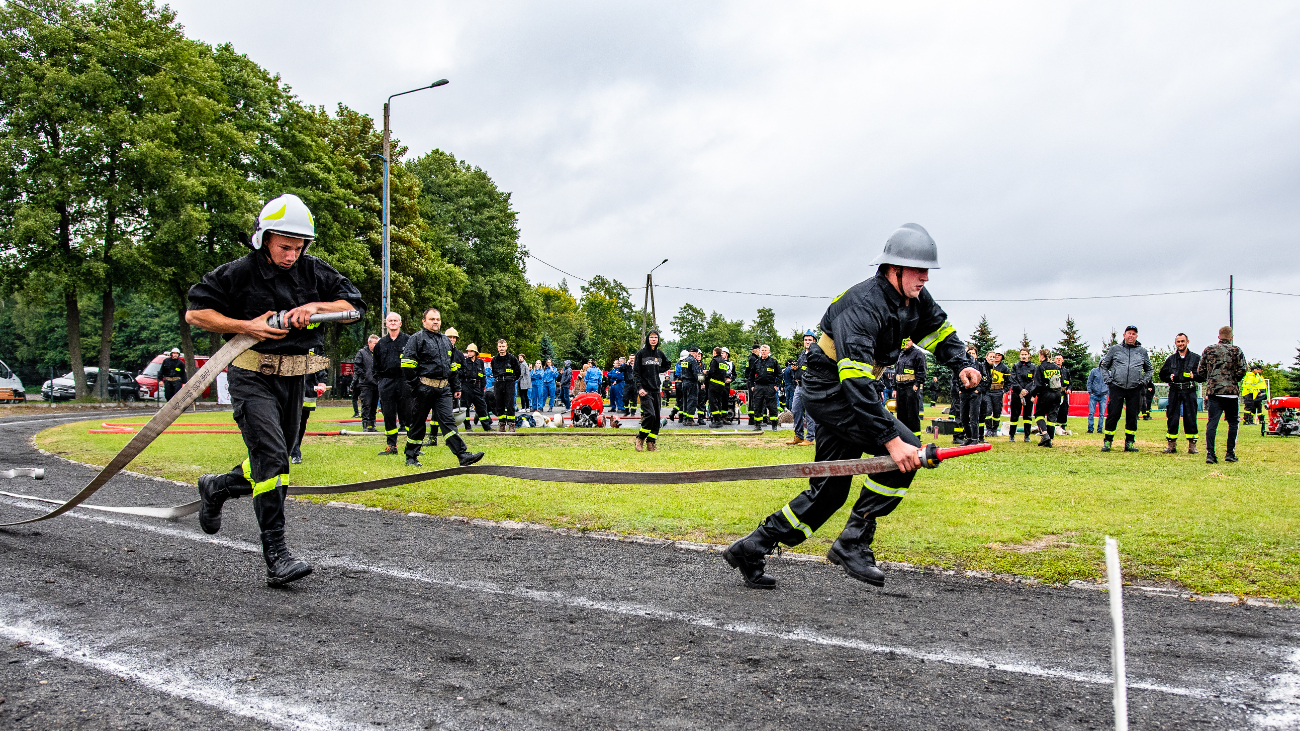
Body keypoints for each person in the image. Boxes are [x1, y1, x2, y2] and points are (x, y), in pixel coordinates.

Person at [723, 223, 978, 590]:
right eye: (918, 270)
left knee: (829, 490)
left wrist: (962, 363)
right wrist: (891, 439)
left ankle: (752, 547)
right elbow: (855, 383)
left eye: (927, 271)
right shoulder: (861, 305)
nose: (924, 277)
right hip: (830, 393)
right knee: (904, 457)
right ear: (894, 269)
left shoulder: (914, 300)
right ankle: (853, 541)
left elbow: (939, 332)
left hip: (850, 389)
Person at [189, 192, 363, 586]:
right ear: (264, 237)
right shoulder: (238, 273)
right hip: (251, 375)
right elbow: (196, 312)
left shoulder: (313, 271)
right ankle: (277, 556)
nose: (291, 255)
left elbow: (354, 308)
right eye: (285, 246)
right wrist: (245, 326)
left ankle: (216, 487)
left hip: (294, 377)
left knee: (275, 461)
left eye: (298, 248)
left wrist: (316, 307)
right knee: (271, 457)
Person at [400, 308, 485, 468]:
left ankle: (462, 455)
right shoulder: (416, 339)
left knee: (448, 422)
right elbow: (407, 365)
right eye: (432, 319)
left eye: (438, 319)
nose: (436, 322)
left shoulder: (445, 341)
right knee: (418, 424)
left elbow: (452, 366)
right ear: (424, 321)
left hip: (444, 389)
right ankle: (411, 456)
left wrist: (456, 387)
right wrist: (416, 385)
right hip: (423, 387)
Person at [1197, 325, 1246, 464]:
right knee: (1233, 423)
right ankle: (1230, 453)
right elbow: (1242, 370)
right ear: (1231, 337)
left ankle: (1210, 454)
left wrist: (1212, 379)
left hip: (1214, 392)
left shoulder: (1209, 350)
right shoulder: (1236, 350)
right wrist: (1233, 379)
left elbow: (1201, 371)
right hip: (1231, 393)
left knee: (1212, 423)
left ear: (1219, 336)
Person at [1099, 325, 1152, 453]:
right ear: (1124, 335)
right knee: (1113, 414)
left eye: (1134, 334)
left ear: (1136, 336)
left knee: (1132, 416)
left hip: (1135, 388)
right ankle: (1108, 441)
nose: (1131, 336)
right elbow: (1104, 366)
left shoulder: (1142, 351)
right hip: (1117, 386)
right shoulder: (1115, 349)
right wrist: (1108, 380)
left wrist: (1144, 382)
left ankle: (1129, 443)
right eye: (1129, 333)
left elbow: (1149, 369)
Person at [374, 312, 411, 457]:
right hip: (387, 382)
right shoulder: (381, 344)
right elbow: (375, 366)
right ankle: (391, 445)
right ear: (386, 323)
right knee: (388, 414)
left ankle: (412, 445)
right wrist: (381, 381)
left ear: (400, 323)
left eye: (396, 320)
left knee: (408, 414)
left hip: (404, 382)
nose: (393, 322)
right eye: (390, 320)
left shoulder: (408, 341)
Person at [1159, 332, 1202, 454]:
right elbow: (1162, 375)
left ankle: (1192, 446)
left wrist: (1195, 376)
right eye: (1178, 342)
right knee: (1172, 417)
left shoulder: (1196, 358)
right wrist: (1170, 377)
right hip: (1175, 391)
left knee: (1190, 417)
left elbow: (1204, 375)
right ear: (1175, 343)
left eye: (1183, 341)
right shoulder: (1171, 359)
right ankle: (1171, 445)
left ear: (1187, 342)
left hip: (1189, 390)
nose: (1180, 344)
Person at [630, 330, 669, 451]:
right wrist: (639, 388)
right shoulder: (641, 354)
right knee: (650, 415)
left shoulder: (659, 353)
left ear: (658, 339)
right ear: (648, 338)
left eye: (655, 337)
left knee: (657, 418)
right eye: (651, 337)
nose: (653, 339)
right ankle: (640, 439)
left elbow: (668, 364)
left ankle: (651, 443)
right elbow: (635, 373)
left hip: (656, 389)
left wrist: (658, 369)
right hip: (645, 390)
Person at [1027, 348, 1064, 447]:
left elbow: (1038, 384)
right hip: (1057, 394)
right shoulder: (1057, 367)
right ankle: (1049, 440)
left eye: (1039, 355)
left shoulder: (1040, 367)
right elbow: (1062, 381)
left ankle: (1045, 435)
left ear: (1042, 356)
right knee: (1052, 417)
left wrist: (1033, 395)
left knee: (1039, 414)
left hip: (1045, 394)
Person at [787, 330, 818, 445]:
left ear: (814, 341)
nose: (807, 342)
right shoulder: (802, 354)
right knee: (796, 410)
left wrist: (801, 370)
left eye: (810, 340)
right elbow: (801, 368)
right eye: (805, 340)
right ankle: (798, 436)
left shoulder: (816, 354)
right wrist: (796, 369)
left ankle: (810, 438)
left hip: (810, 386)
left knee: (809, 412)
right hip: (799, 386)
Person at [894, 337, 926, 440]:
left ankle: (916, 438)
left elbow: (922, 372)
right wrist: (894, 388)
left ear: (912, 341)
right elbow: (896, 372)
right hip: (900, 387)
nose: (906, 343)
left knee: (912, 415)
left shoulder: (918, 354)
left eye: (908, 340)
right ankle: (904, 438)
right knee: (901, 415)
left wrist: (916, 385)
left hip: (910, 388)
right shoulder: (899, 354)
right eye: (904, 340)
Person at [460, 343, 493, 432]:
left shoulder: (480, 362)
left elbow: (483, 375)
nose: (469, 353)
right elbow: (461, 376)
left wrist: (482, 387)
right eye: (468, 351)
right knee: (465, 407)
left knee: (482, 407)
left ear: (475, 352)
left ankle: (486, 426)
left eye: (471, 351)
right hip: (466, 386)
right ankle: (467, 427)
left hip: (477, 386)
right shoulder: (464, 362)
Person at [959, 343, 987, 445]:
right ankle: (969, 438)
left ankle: (975, 439)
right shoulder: (962, 365)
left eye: (973, 353)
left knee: (974, 418)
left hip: (975, 394)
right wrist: (959, 390)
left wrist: (978, 390)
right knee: (964, 418)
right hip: (964, 393)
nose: (971, 355)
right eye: (969, 353)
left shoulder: (980, 366)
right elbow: (956, 378)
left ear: (976, 355)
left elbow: (985, 379)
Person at [749, 344, 780, 431]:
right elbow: (750, 376)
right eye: (762, 350)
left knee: (772, 407)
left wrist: (776, 385)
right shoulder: (756, 362)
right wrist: (752, 386)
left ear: (769, 352)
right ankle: (757, 425)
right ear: (760, 352)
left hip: (770, 386)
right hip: (758, 387)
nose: (763, 352)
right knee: (757, 406)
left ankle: (774, 426)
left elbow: (780, 374)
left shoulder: (774, 362)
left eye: (765, 350)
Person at [491, 340, 518, 432]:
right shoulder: (494, 360)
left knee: (510, 404)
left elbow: (518, 372)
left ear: (506, 347)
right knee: (499, 404)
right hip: (498, 383)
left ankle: (511, 424)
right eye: (500, 346)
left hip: (509, 382)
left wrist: (511, 379)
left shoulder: (512, 359)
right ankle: (502, 424)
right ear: (497, 347)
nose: (501, 348)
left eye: (503, 346)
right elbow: (494, 371)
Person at [983, 350, 1010, 439]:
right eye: (995, 355)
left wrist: (1004, 390)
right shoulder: (986, 366)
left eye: (998, 355)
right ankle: (989, 429)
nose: (996, 357)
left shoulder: (1004, 368)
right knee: (988, 410)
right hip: (988, 391)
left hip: (998, 391)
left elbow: (1009, 381)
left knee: (997, 411)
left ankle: (994, 429)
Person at [706, 346, 734, 427]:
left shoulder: (715, 360)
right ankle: (719, 419)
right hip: (721, 386)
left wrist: (706, 373)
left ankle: (717, 420)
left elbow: (712, 372)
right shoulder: (724, 363)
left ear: (715, 353)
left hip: (713, 385)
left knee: (712, 402)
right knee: (718, 403)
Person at [1085, 359, 1108, 434]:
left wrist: (1107, 394)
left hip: (1103, 396)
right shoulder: (1094, 371)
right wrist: (1090, 392)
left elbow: (1110, 384)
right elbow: (1089, 381)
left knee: (1102, 414)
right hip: (1093, 395)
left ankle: (1100, 429)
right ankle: (1090, 428)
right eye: (1102, 362)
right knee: (1091, 413)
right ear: (1100, 362)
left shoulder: (1108, 373)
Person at [1052, 353, 1072, 434]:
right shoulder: (1052, 370)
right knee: (1054, 409)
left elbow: (1070, 383)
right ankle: (1054, 426)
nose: (1058, 360)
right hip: (1055, 393)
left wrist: (1069, 389)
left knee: (1064, 409)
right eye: (1057, 358)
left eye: (1060, 359)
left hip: (1063, 393)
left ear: (1063, 360)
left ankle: (1062, 426)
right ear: (1054, 360)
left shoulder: (1065, 371)